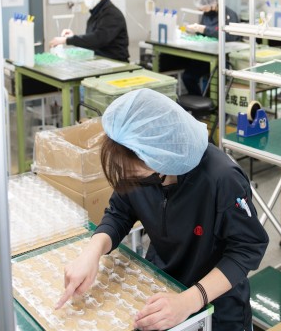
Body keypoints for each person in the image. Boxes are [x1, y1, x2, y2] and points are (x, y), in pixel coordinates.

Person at [56, 88, 269, 330]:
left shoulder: (221, 179)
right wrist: (92, 252)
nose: (134, 183)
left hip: (217, 307)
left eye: (138, 176)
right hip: (160, 287)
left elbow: (247, 249)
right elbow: (120, 212)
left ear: (162, 158)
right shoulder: (141, 169)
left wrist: (190, 300)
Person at [49, 0, 129, 62]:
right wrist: (73, 36)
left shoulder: (112, 14)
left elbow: (97, 39)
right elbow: (91, 39)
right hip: (101, 61)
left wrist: (67, 40)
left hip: (116, 64)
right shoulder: (96, 13)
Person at [182, 0, 241, 95]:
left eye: (204, 8)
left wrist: (204, 29)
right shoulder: (207, 14)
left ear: (213, 3)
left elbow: (229, 37)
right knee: (187, 77)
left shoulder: (229, 15)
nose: (202, 11)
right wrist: (195, 30)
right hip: (205, 54)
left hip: (221, 58)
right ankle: (199, 101)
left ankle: (210, 106)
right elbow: (203, 33)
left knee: (212, 85)